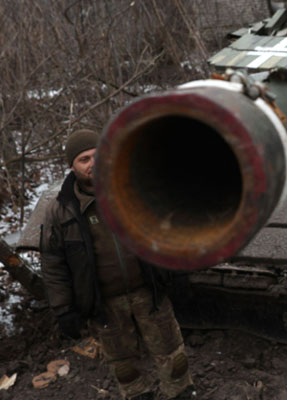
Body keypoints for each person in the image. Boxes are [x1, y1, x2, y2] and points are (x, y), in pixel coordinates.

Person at [40, 129, 195, 400]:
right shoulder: (61, 209)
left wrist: (179, 272)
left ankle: (180, 393)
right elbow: (53, 263)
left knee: (172, 355)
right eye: (84, 159)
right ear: (72, 166)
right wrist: (64, 309)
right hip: (104, 305)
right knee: (124, 365)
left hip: (150, 293)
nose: (93, 163)